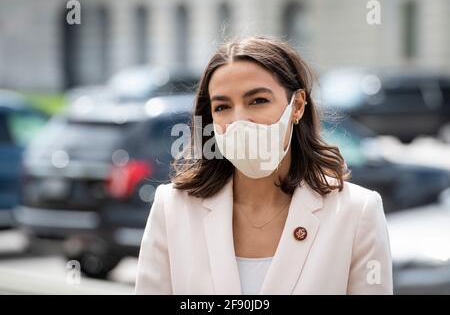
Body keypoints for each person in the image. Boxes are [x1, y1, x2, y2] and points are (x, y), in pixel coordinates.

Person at [135, 36, 393, 295]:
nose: (239, 120)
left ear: (298, 106)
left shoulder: (356, 212)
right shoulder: (172, 208)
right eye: (223, 106)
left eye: (258, 101)